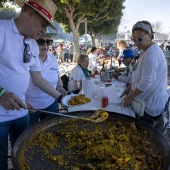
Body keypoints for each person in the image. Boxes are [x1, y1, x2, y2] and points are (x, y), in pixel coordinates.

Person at [0, 0, 64, 169]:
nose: (44, 31)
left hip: (21, 113)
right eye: (43, 25)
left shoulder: (32, 44)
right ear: (29, 14)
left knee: (23, 157)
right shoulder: (1, 30)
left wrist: (61, 98)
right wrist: (0, 93)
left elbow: (38, 79)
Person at [121, 20, 169, 130]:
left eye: (140, 39)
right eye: (134, 39)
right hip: (144, 102)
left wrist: (130, 97)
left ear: (150, 36)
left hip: (150, 105)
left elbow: (146, 82)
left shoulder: (152, 53)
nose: (136, 42)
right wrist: (129, 88)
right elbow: (140, 76)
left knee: (144, 134)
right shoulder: (145, 51)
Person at [26, 32, 67, 126]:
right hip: (31, 107)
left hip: (51, 103)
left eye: (48, 42)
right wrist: (24, 102)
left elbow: (57, 76)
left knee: (53, 132)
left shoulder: (53, 59)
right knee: (31, 137)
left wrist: (59, 86)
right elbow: (37, 81)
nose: (45, 44)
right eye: (40, 41)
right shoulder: (27, 59)